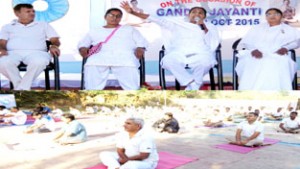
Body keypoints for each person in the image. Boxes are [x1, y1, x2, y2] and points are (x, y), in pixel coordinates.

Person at [120, 1, 220, 90]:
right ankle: (190, 82)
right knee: (168, 61)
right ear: (189, 15)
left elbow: (210, 38)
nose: (197, 14)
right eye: (194, 12)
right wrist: (132, 12)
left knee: (205, 63)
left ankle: (193, 87)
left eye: (200, 13)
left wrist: (201, 24)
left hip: (200, 53)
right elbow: (154, 19)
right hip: (179, 52)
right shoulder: (177, 24)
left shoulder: (210, 26)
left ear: (204, 16)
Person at [78, 8, 147, 90]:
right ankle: (92, 94)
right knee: (92, 64)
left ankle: (133, 94)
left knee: (129, 67)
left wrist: (140, 48)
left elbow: (142, 42)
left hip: (124, 55)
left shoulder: (129, 29)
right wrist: (83, 49)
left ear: (120, 18)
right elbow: (83, 44)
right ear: (105, 17)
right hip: (100, 56)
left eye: (118, 16)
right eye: (112, 15)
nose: (114, 18)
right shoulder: (95, 30)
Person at [235, 8, 300, 90]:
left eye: (276, 14)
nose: (272, 16)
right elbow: (247, 42)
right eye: (269, 14)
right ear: (266, 17)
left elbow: (296, 42)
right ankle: (250, 94)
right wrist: (253, 50)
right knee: (251, 62)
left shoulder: (289, 29)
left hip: (278, 54)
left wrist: (286, 48)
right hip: (256, 53)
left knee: (279, 62)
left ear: (281, 16)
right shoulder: (257, 28)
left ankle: (280, 94)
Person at [0, 3, 60, 90]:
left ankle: (20, 89)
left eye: (33, 11)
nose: (32, 13)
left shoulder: (43, 24)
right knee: (2, 62)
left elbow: (55, 39)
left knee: (40, 61)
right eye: (28, 11)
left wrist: (54, 46)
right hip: (12, 53)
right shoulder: (7, 27)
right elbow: (2, 42)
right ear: (17, 13)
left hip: (37, 53)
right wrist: (1, 49)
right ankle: (21, 88)